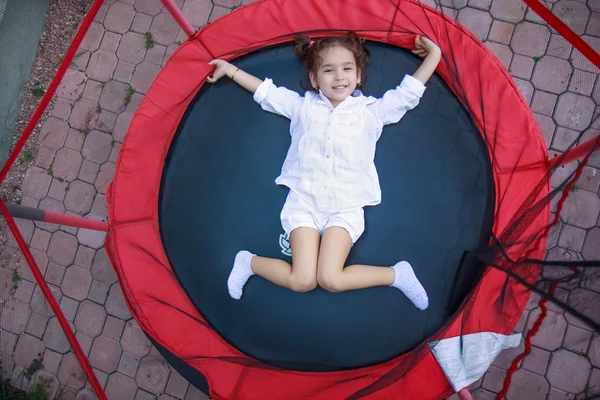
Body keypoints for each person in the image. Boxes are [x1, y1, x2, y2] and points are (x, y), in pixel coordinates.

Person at [207, 32, 441, 310]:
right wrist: (230, 69)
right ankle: (249, 262)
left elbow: (408, 93)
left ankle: (396, 274)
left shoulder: (371, 112)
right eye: (329, 70)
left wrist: (434, 56)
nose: (339, 77)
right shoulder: (301, 107)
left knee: (330, 278)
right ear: (315, 79)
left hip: (346, 205)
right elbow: (265, 93)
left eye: (347, 69)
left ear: (358, 77)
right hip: (304, 202)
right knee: (303, 280)